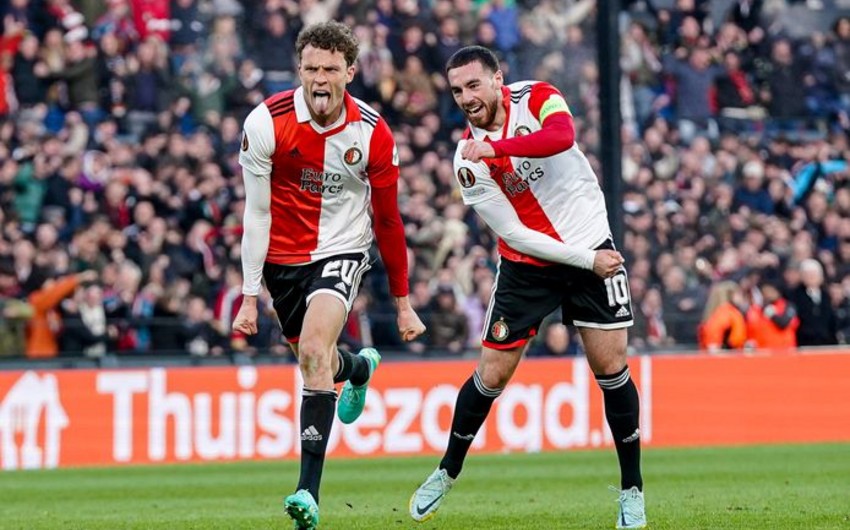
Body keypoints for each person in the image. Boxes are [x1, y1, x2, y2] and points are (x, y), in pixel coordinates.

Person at [409, 46, 646, 529]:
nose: (466, 98)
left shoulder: (538, 96)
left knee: (611, 369)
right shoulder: (466, 160)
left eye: (474, 85)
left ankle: (632, 490)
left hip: (590, 241)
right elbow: (515, 235)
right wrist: (587, 261)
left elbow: (562, 136)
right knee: (491, 375)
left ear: (498, 79)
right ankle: (447, 471)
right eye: (457, 91)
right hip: (530, 267)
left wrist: (497, 149)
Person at [231, 21, 426, 530]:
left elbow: (388, 220)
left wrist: (403, 303)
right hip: (281, 262)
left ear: (351, 72)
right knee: (316, 361)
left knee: (315, 351)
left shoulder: (373, 133)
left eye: (331, 69)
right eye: (311, 68)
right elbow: (255, 214)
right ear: (299, 69)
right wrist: (249, 295)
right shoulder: (266, 122)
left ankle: (307, 494)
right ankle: (357, 369)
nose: (320, 78)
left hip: (342, 248)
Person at [697, 281, 748, 352]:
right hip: (727, 354)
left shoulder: (713, 314)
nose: (742, 297)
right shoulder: (727, 314)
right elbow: (735, 340)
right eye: (738, 294)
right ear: (731, 295)